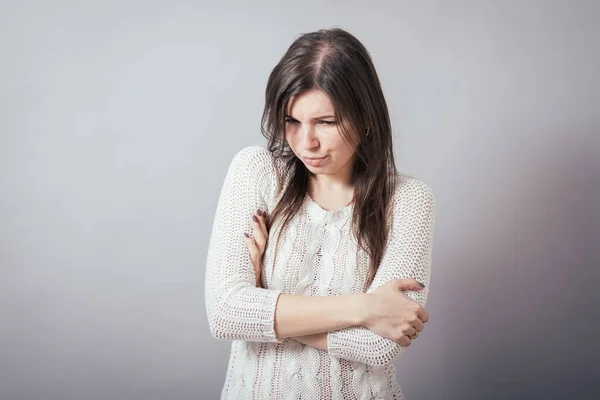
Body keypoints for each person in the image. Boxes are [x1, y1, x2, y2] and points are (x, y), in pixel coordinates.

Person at [205, 27, 436, 399]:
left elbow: (380, 347)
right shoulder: (257, 172)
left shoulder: (408, 200)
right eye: (291, 121)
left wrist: (262, 300)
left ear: (365, 118)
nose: (305, 142)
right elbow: (225, 313)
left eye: (326, 122)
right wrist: (366, 307)